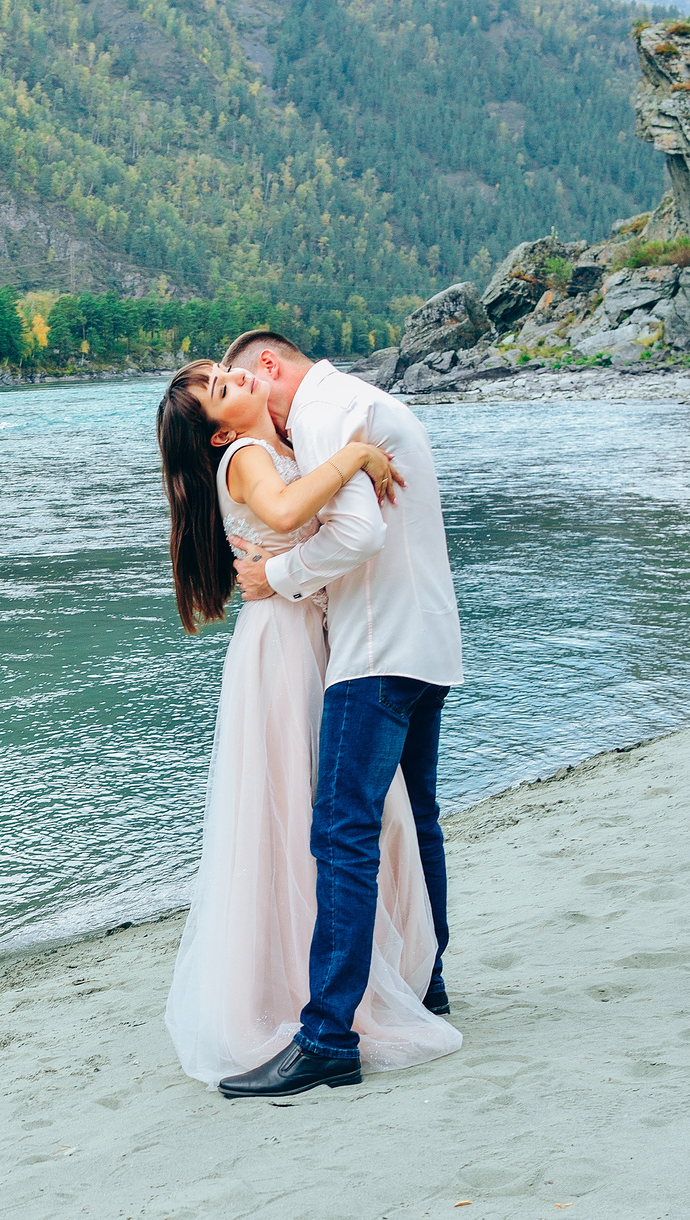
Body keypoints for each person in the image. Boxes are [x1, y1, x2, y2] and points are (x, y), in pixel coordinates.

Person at [154, 358, 461, 1092]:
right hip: (286, 647)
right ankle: (346, 999)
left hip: (315, 638)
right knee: (320, 815)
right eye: (224, 389)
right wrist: (355, 455)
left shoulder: (284, 448)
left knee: (353, 815)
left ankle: (399, 976)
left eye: (228, 371)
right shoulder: (249, 456)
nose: (239, 380)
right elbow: (290, 516)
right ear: (221, 429)